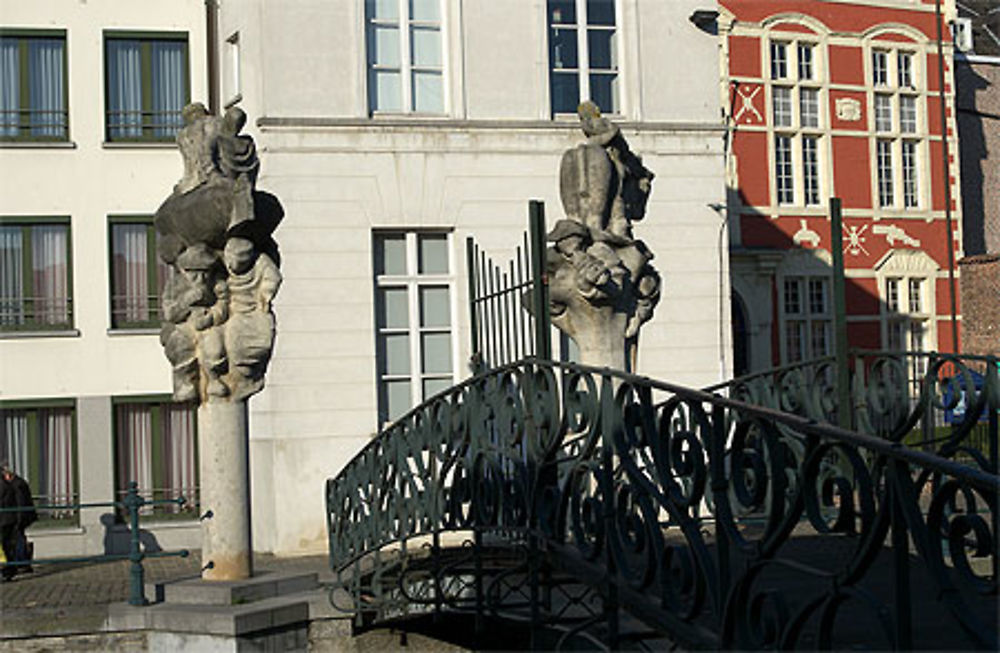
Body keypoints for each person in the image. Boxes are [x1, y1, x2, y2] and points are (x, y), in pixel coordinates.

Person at [1, 463, 36, 578]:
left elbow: (20, 503)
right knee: (15, 541)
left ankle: (20, 564)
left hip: (16, 519)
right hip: (15, 518)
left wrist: (19, 520)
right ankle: (19, 564)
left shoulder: (16, 484)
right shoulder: (13, 484)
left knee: (15, 541)